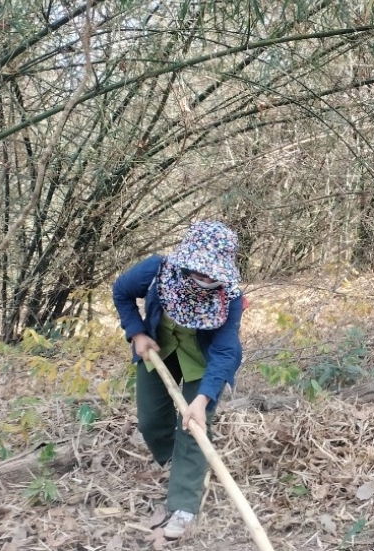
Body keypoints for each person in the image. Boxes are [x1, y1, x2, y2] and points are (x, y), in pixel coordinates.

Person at [112, 220, 245, 540]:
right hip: (160, 349)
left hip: (203, 361)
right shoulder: (155, 271)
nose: (206, 278)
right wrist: (137, 332)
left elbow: (226, 352)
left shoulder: (231, 297)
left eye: (212, 275)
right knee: (150, 419)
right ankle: (182, 461)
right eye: (199, 272)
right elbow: (121, 292)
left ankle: (184, 504)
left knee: (194, 426)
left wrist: (201, 400)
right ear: (185, 264)